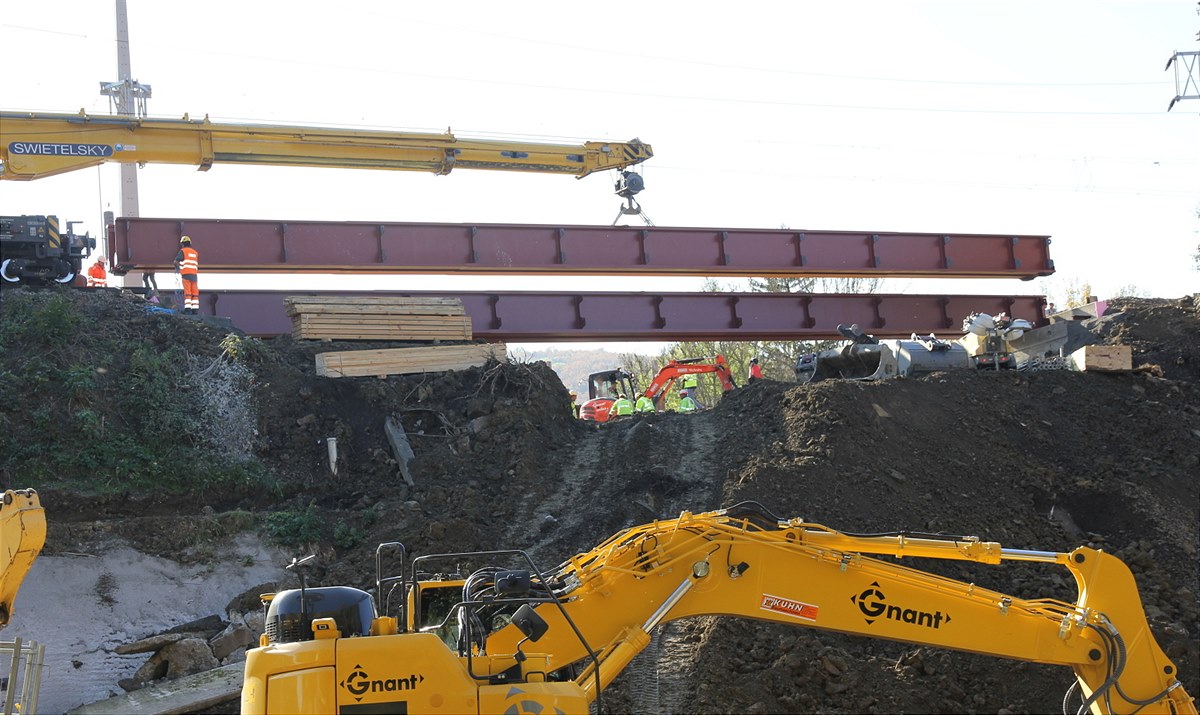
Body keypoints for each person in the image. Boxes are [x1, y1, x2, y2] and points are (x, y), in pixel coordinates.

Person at [174, 235, 200, 314]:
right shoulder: (195, 253)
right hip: (194, 275)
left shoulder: (183, 251)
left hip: (186, 275)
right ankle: (195, 310)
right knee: (195, 293)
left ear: (183, 244)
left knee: (187, 292)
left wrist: (178, 267)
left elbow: (175, 261)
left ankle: (188, 309)